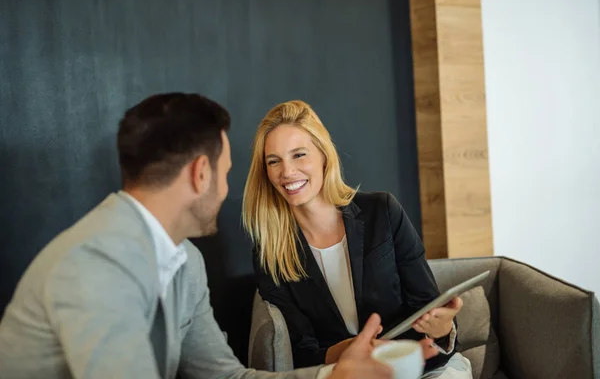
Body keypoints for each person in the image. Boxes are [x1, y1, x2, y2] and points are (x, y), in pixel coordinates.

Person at [0, 93, 418, 379]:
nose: (226, 188)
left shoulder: (184, 261)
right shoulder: (96, 263)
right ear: (201, 173)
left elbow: (225, 376)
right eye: (226, 172)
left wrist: (333, 375)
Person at [242, 100, 472, 378]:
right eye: (274, 161)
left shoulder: (383, 212)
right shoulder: (270, 253)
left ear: (324, 156)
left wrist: (443, 328)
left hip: (421, 368)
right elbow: (302, 351)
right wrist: (350, 350)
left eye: (299, 155)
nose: (287, 171)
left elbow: (425, 304)